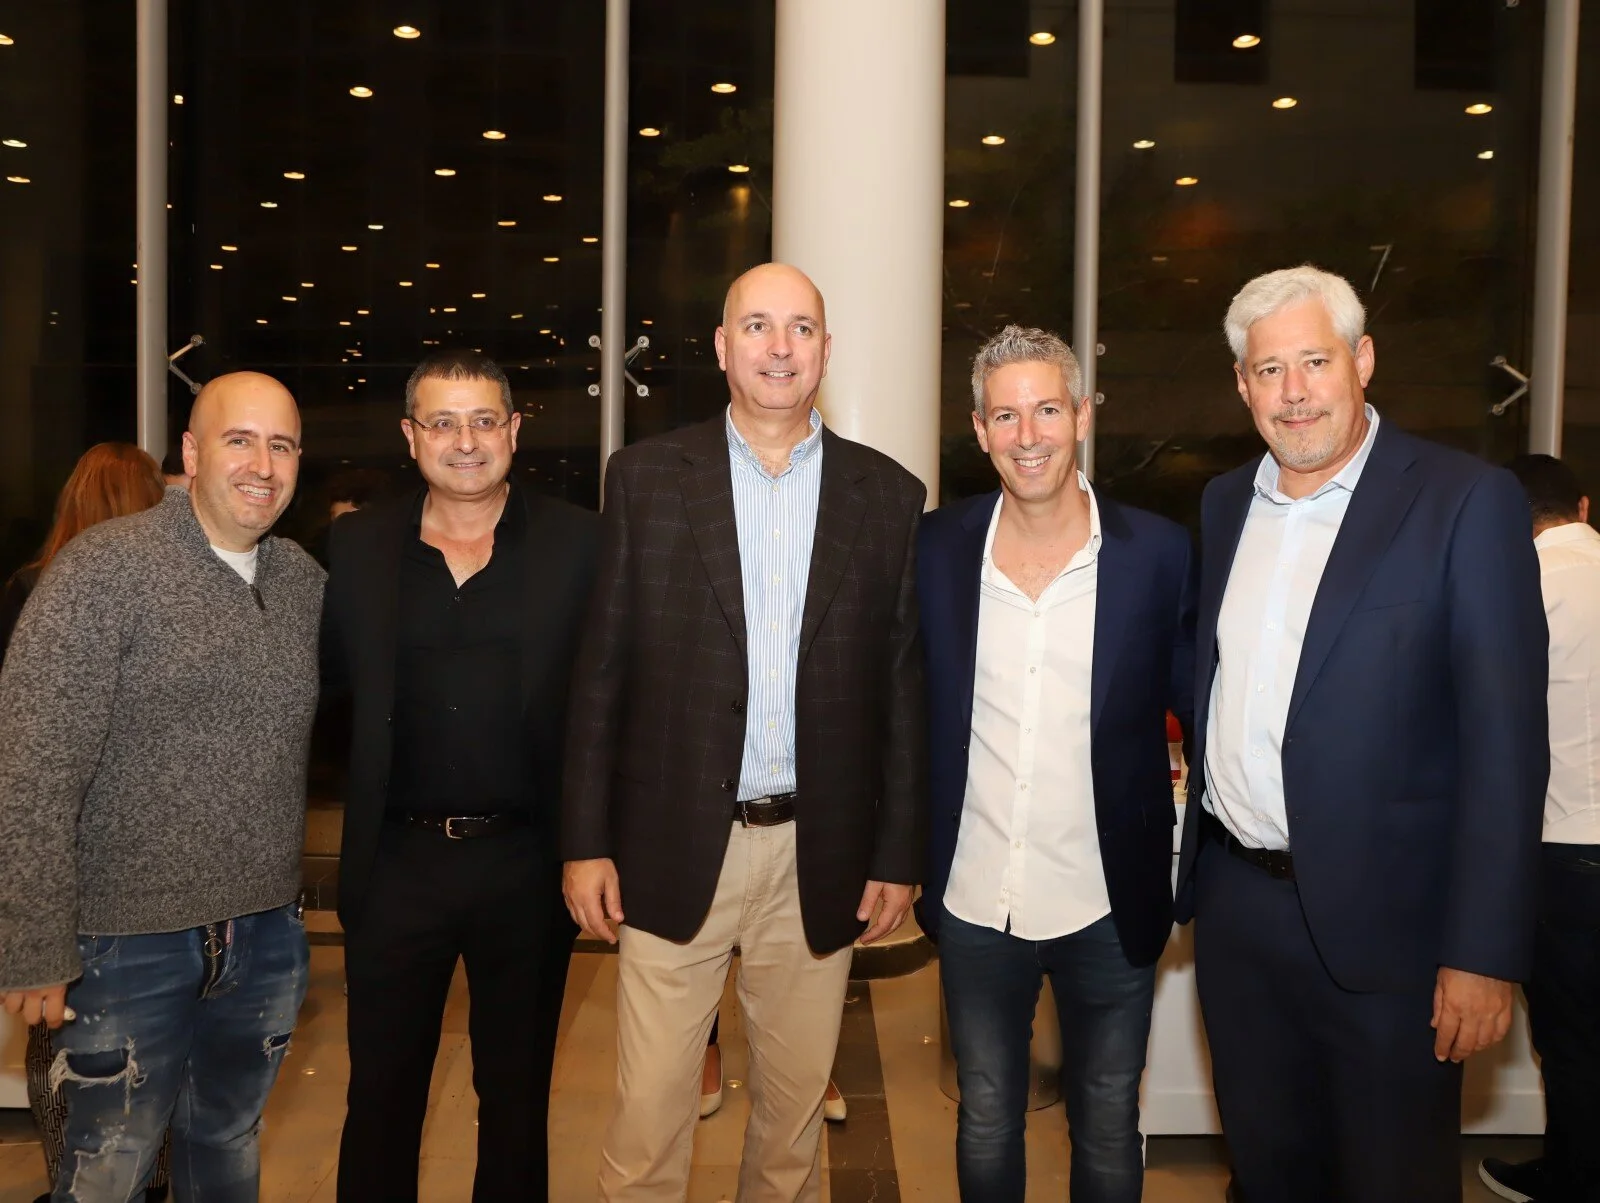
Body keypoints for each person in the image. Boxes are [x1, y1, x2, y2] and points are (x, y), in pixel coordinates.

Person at [1174, 265, 1549, 1203]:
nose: (1294, 391)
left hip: (1396, 934)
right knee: (1268, 1172)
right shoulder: (1224, 502)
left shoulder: (1465, 500)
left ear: (1363, 360)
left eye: (1315, 361)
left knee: (1393, 1179)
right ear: (1242, 386)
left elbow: (1506, 747)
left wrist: (1483, 951)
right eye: (1269, 370)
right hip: (1239, 913)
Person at [563, 262, 926, 1201]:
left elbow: (900, 693)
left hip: (818, 850)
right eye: (757, 326)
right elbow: (601, 673)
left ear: (826, 351)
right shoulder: (646, 479)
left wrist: (897, 852)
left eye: (800, 328)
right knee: (648, 1122)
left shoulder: (888, 495)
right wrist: (586, 842)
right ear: (724, 347)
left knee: (791, 1129)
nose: (779, 347)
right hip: (671, 842)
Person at [0, 371, 324, 1202]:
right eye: (239, 440)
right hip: (123, 943)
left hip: (265, 936)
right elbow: (31, 765)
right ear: (191, 451)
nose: (262, 464)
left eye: (282, 445)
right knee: (107, 1172)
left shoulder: (302, 581)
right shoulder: (104, 570)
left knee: (227, 1145)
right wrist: (32, 943)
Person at [917, 325, 1196, 1202]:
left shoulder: (1157, 554)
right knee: (986, 1114)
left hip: (1107, 897)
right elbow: (902, 708)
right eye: (1006, 415)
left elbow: (1206, 708)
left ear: (1081, 415)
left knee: (1107, 1117)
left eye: (1046, 410)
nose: (1027, 434)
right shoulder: (936, 549)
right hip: (976, 893)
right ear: (979, 429)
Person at [322, 350, 597, 1203]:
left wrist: (595, 844)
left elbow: (609, 701)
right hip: (396, 863)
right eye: (443, 422)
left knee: (515, 1097)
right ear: (411, 436)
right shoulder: (358, 544)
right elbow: (327, 693)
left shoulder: (581, 542)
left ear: (514, 430)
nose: (465, 441)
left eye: (483, 420)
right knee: (379, 1095)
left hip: (527, 862)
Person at [0, 443, 171, 1203]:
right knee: (143, 1040)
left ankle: (73, 1176)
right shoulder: (151, 596)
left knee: (59, 1030)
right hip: (123, 855)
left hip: (55, 851)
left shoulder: (27, 586)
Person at [1480, 455, 1600, 1203]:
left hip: (1567, 848)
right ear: (1582, 507)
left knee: (1574, 1038)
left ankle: (1573, 1181)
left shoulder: (1522, 587)